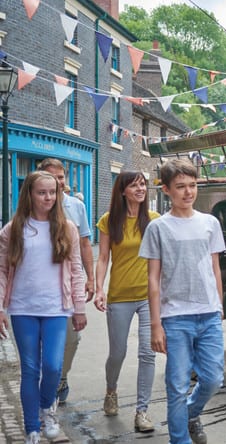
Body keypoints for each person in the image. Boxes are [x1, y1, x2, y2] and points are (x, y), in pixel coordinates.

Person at [139, 159, 225, 444]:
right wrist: (155, 325)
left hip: (208, 314)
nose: (188, 192)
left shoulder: (210, 223)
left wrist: (219, 306)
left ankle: (190, 412)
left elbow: (214, 268)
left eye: (192, 185)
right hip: (175, 317)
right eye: (180, 187)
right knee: (176, 385)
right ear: (166, 190)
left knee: (213, 379)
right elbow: (153, 279)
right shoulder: (158, 228)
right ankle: (179, 439)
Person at [0, 171, 87, 444]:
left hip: (56, 308)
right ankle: (32, 428)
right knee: (30, 369)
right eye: (42, 192)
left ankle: (47, 407)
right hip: (23, 307)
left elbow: (76, 269)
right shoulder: (13, 229)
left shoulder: (67, 228)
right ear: (29, 194)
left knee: (52, 366)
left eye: (53, 192)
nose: (48, 197)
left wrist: (80, 308)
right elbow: (2, 271)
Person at [94, 171, 160, 432]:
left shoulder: (154, 220)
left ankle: (142, 411)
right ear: (123, 191)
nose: (140, 189)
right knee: (118, 353)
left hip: (148, 297)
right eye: (134, 185)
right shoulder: (109, 221)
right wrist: (99, 288)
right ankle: (111, 390)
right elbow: (102, 258)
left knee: (147, 352)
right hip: (120, 296)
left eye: (143, 184)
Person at [36, 158, 94, 405]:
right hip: (40, 287)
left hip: (70, 285)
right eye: (52, 177)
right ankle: (45, 391)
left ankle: (61, 377)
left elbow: (85, 244)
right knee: (42, 343)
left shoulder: (76, 206)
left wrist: (91, 278)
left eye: (61, 178)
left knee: (73, 339)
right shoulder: (32, 206)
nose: (58, 183)